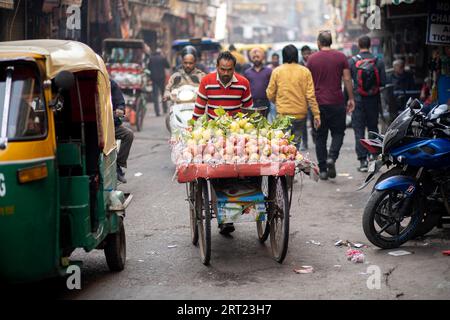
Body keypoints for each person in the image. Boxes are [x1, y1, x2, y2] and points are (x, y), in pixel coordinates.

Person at [192, 51, 254, 235]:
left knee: (238, 172)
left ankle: (233, 209)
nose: (225, 73)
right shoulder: (207, 81)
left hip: (236, 134)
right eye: (222, 69)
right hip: (213, 133)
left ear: (234, 68)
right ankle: (225, 215)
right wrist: (192, 129)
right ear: (217, 67)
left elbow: (248, 111)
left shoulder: (243, 83)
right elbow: (199, 108)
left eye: (229, 69)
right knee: (216, 173)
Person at [307, 30, 355, 180]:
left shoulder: (312, 59)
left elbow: (308, 83)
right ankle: (332, 158)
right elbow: (347, 79)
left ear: (319, 42)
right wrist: (351, 98)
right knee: (338, 133)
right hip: (336, 102)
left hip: (318, 104)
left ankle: (322, 170)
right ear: (331, 42)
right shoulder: (341, 57)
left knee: (320, 136)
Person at [266, 44, 321, 151]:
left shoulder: (277, 71)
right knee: (296, 144)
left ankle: (285, 164)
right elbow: (310, 95)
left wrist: (277, 102)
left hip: (283, 114)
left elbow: (270, 93)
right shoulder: (305, 71)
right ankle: (294, 164)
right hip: (300, 114)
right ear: (297, 56)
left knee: (283, 144)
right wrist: (316, 114)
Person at [349, 35, 386, 172]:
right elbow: (383, 82)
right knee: (373, 128)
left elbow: (349, 81)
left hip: (358, 100)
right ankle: (374, 158)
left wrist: (349, 99)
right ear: (370, 45)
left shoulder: (352, 62)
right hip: (373, 100)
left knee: (359, 130)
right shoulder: (378, 61)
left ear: (359, 45)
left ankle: (362, 161)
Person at [110, 79, 134, 184]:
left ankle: (118, 165)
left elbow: (120, 102)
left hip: (110, 124)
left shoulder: (110, 83)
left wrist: (120, 109)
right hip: (94, 126)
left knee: (128, 135)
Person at [244, 47, 272, 117]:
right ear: (251, 58)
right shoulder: (247, 72)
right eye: (254, 57)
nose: (256, 59)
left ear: (262, 57)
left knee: (264, 122)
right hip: (252, 103)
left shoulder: (269, 71)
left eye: (258, 57)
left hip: (265, 102)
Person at [299, 45, 315, 150]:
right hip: (302, 96)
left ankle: (314, 134)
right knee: (303, 122)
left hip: (313, 94)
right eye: (305, 54)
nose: (306, 56)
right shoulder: (299, 65)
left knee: (314, 117)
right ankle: (304, 142)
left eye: (308, 53)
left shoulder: (314, 62)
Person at [148, 48, 170, 117]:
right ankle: (165, 109)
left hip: (154, 79)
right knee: (163, 94)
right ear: (160, 53)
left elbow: (148, 68)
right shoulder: (162, 58)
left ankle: (157, 111)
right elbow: (168, 66)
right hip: (161, 78)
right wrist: (165, 58)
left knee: (155, 96)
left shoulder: (151, 59)